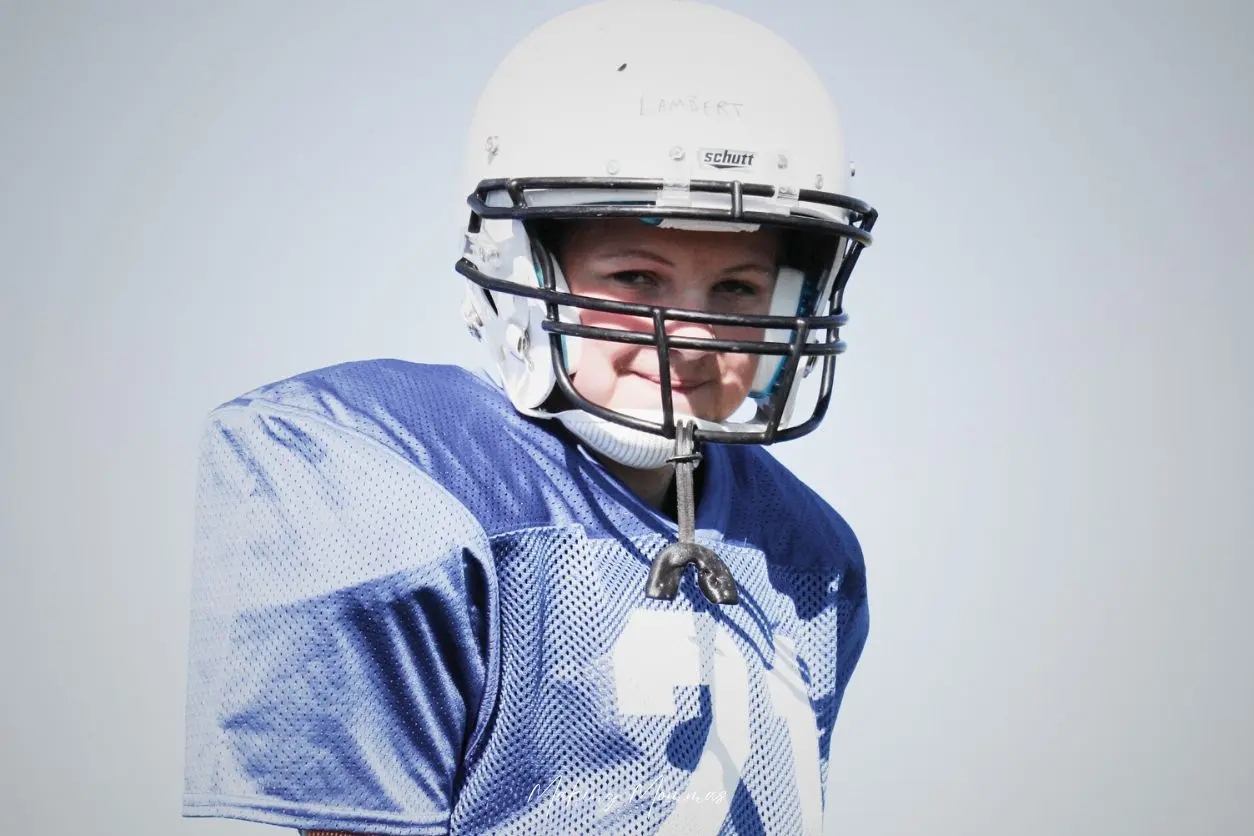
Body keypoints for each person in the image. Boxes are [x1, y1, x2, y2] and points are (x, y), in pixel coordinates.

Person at [182, 1, 878, 833]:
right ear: (519, 270)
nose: (690, 337)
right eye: (636, 278)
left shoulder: (808, 553)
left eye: (736, 288)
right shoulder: (392, 484)